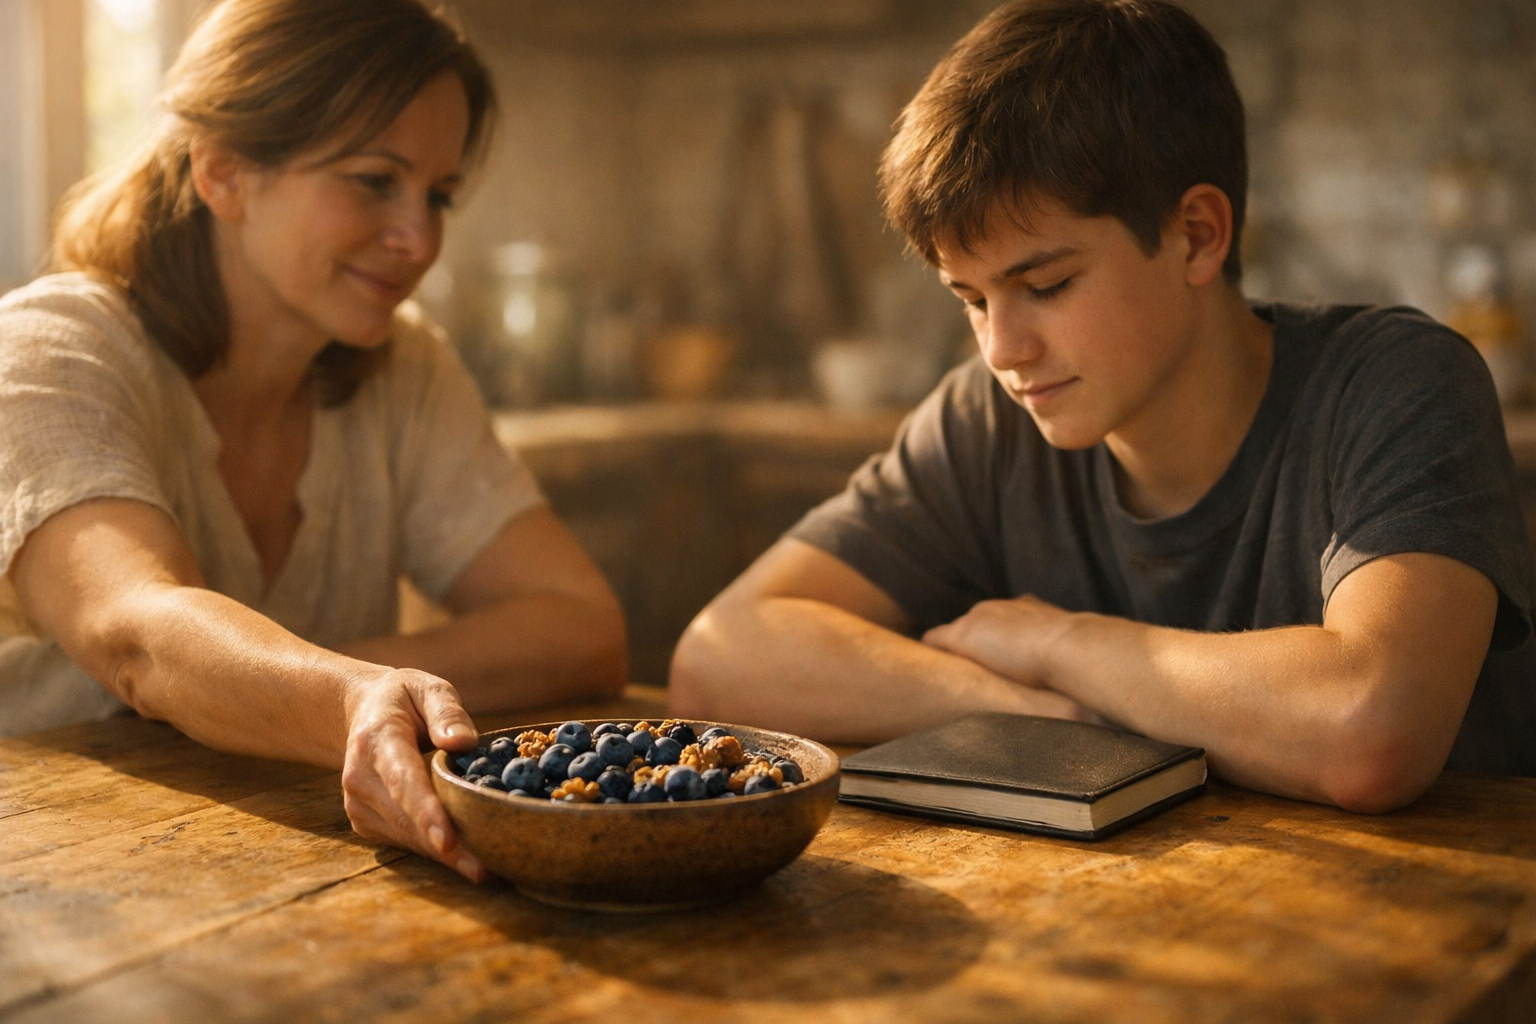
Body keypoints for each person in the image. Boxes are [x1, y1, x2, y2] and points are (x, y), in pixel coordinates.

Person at [669, 0, 1536, 811]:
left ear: (1198, 234)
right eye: (971, 300)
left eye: (1045, 284)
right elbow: (719, 660)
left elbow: (1371, 729)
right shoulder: (988, 419)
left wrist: (1061, 644)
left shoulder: (1399, 383)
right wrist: (1039, 710)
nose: (1003, 350)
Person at [0, 0, 628, 881]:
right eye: (376, 180)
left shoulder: (402, 368)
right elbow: (136, 638)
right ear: (223, 172)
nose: (421, 239)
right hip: (47, 881)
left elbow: (582, 628)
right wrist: (344, 696)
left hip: (287, 871)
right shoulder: (49, 348)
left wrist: (329, 688)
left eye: (438, 195)